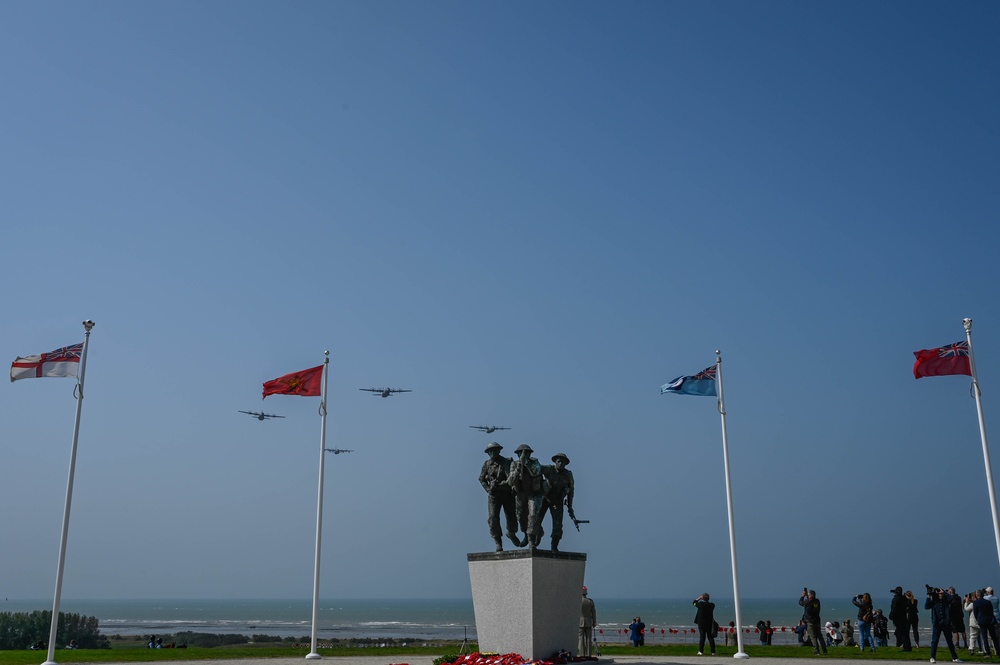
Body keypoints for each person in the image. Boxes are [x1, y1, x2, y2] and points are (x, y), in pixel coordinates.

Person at [479, 442, 520, 550]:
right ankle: (498, 541)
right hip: (494, 495)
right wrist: (488, 489)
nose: (492, 452)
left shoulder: (506, 462)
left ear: (499, 451)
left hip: (507, 494)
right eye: (490, 451)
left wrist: (500, 484)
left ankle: (511, 532)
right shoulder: (486, 464)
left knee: (511, 517)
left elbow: (510, 479)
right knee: (492, 518)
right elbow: (481, 479)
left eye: (494, 450)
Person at [507, 444, 548, 549]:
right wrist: (518, 468)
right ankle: (528, 533)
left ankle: (531, 540)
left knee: (532, 515)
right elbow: (511, 482)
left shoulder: (535, 462)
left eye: (526, 453)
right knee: (520, 517)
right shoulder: (514, 464)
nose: (524, 455)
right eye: (521, 453)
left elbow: (536, 472)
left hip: (534, 494)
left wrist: (527, 464)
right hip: (521, 494)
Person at [540, 453, 576, 552]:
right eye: (558, 461)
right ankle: (534, 538)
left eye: (563, 462)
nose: (560, 463)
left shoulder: (568, 474)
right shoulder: (549, 469)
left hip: (558, 501)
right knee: (536, 521)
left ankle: (554, 545)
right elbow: (536, 469)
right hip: (545, 498)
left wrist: (570, 507)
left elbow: (571, 491)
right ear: (555, 462)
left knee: (558, 525)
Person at [925, 586, 962, 663]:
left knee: (949, 641)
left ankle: (954, 657)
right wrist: (929, 596)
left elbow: (952, 598)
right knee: (935, 641)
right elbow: (926, 606)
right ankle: (932, 657)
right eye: (939, 594)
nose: (940, 595)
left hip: (946, 624)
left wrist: (944, 592)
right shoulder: (935, 601)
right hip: (937, 624)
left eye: (941, 594)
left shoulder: (946, 600)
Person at [799, 588, 828, 655]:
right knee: (820, 636)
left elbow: (800, 602)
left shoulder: (807, 601)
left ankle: (817, 650)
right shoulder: (817, 601)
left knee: (813, 637)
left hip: (810, 622)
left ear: (809, 596)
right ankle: (825, 650)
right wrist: (808, 596)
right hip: (817, 621)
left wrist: (803, 596)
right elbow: (810, 601)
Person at [973, 589, 1000, 656]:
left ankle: (988, 653)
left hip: (982, 621)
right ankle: (998, 651)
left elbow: (975, 613)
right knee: (994, 637)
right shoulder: (988, 602)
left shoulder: (976, 602)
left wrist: (978, 619)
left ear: (977, 595)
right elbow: (991, 611)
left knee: (985, 638)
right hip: (989, 620)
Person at [890, 586, 911, 651]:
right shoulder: (904, 598)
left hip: (897, 618)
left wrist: (891, 616)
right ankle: (908, 646)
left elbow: (894, 609)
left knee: (901, 633)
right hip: (903, 617)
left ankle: (905, 646)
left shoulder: (895, 599)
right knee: (905, 633)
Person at [579, 586, 597, 657]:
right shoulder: (590, 601)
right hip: (589, 621)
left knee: (581, 639)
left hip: (580, 622)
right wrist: (594, 622)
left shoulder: (578, 601)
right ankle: (589, 654)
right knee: (589, 638)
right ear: (586, 593)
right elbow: (593, 613)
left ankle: (582, 654)